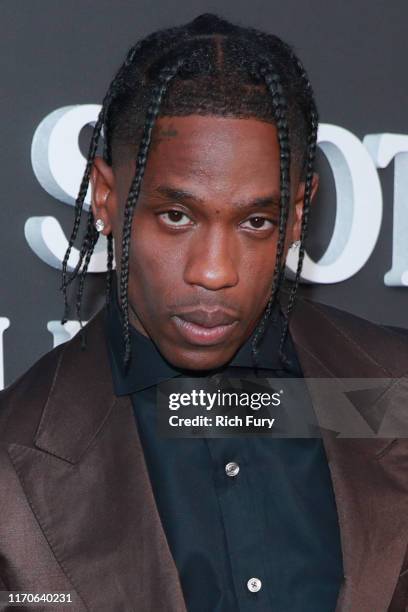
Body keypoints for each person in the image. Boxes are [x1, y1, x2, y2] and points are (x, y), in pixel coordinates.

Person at [0, 13, 407, 612]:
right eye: (176, 216)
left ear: (297, 216)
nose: (214, 271)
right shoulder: (13, 460)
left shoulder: (392, 391)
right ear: (108, 201)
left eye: (255, 221)